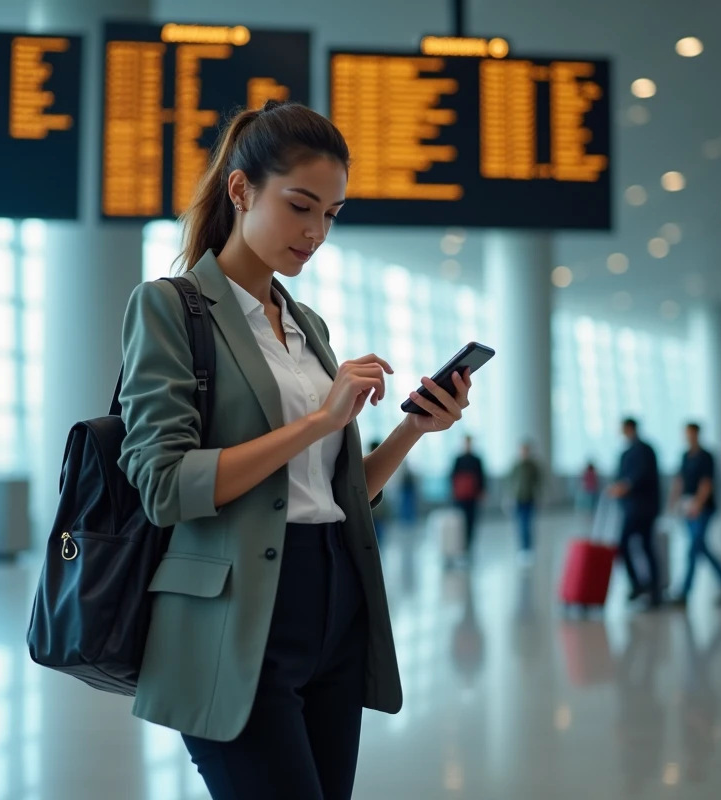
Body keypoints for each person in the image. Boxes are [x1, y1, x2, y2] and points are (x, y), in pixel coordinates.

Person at [116, 101, 475, 800]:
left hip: (335, 603)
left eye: (332, 215)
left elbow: (334, 492)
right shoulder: (169, 307)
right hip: (237, 617)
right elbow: (162, 485)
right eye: (300, 206)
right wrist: (317, 421)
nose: (315, 233)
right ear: (242, 189)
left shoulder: (306, 323)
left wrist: (411, 430)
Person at [667, 423, 721, 607]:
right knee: (701, 547)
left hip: (703, 509)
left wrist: (698, 504)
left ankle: (684, 591)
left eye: (691, 433)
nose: (688, 437)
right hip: (687, 508)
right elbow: (680, 480)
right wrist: (673, 501)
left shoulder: (706, 456)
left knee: (693, 548)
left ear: (697, 434)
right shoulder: (685, 456)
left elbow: (706, 483)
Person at [610, 418, 663, 608]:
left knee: (637, 546)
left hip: (643, 508)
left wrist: (625, 487)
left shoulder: (644, 450)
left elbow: (639, 477)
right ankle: (642, 586)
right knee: (640, 547)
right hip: (631, 507)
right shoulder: (626, 452)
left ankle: (649, 589)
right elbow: (621, 476)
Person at [508, 441, 544, 565]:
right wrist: (509, 497)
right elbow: (510, 482)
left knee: (528, 523)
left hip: (530, 498)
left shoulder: (532, 466)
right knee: (520, 524)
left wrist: (539, 497)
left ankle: (529, 548)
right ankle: (523, 548)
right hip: (518, 498)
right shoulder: (516, 466)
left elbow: (538, 482)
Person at [451, 435, 486, 554]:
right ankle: (460, 545)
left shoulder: (477, 460)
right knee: (460, 521)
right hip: (460, 497)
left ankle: (469, 545)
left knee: (472, 520)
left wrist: (482, 491)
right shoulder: (458, 459)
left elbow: (481, 477)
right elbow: (452, 477)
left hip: (473, 496)